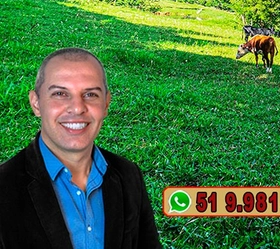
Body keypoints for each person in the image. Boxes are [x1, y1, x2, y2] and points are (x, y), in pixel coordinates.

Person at [0, 48, 162, 249]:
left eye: (90, 94)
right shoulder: (4, 187)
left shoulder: (129, 176)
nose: (77, 108)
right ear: (36, 103)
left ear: (106, 104)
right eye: (60, 94)